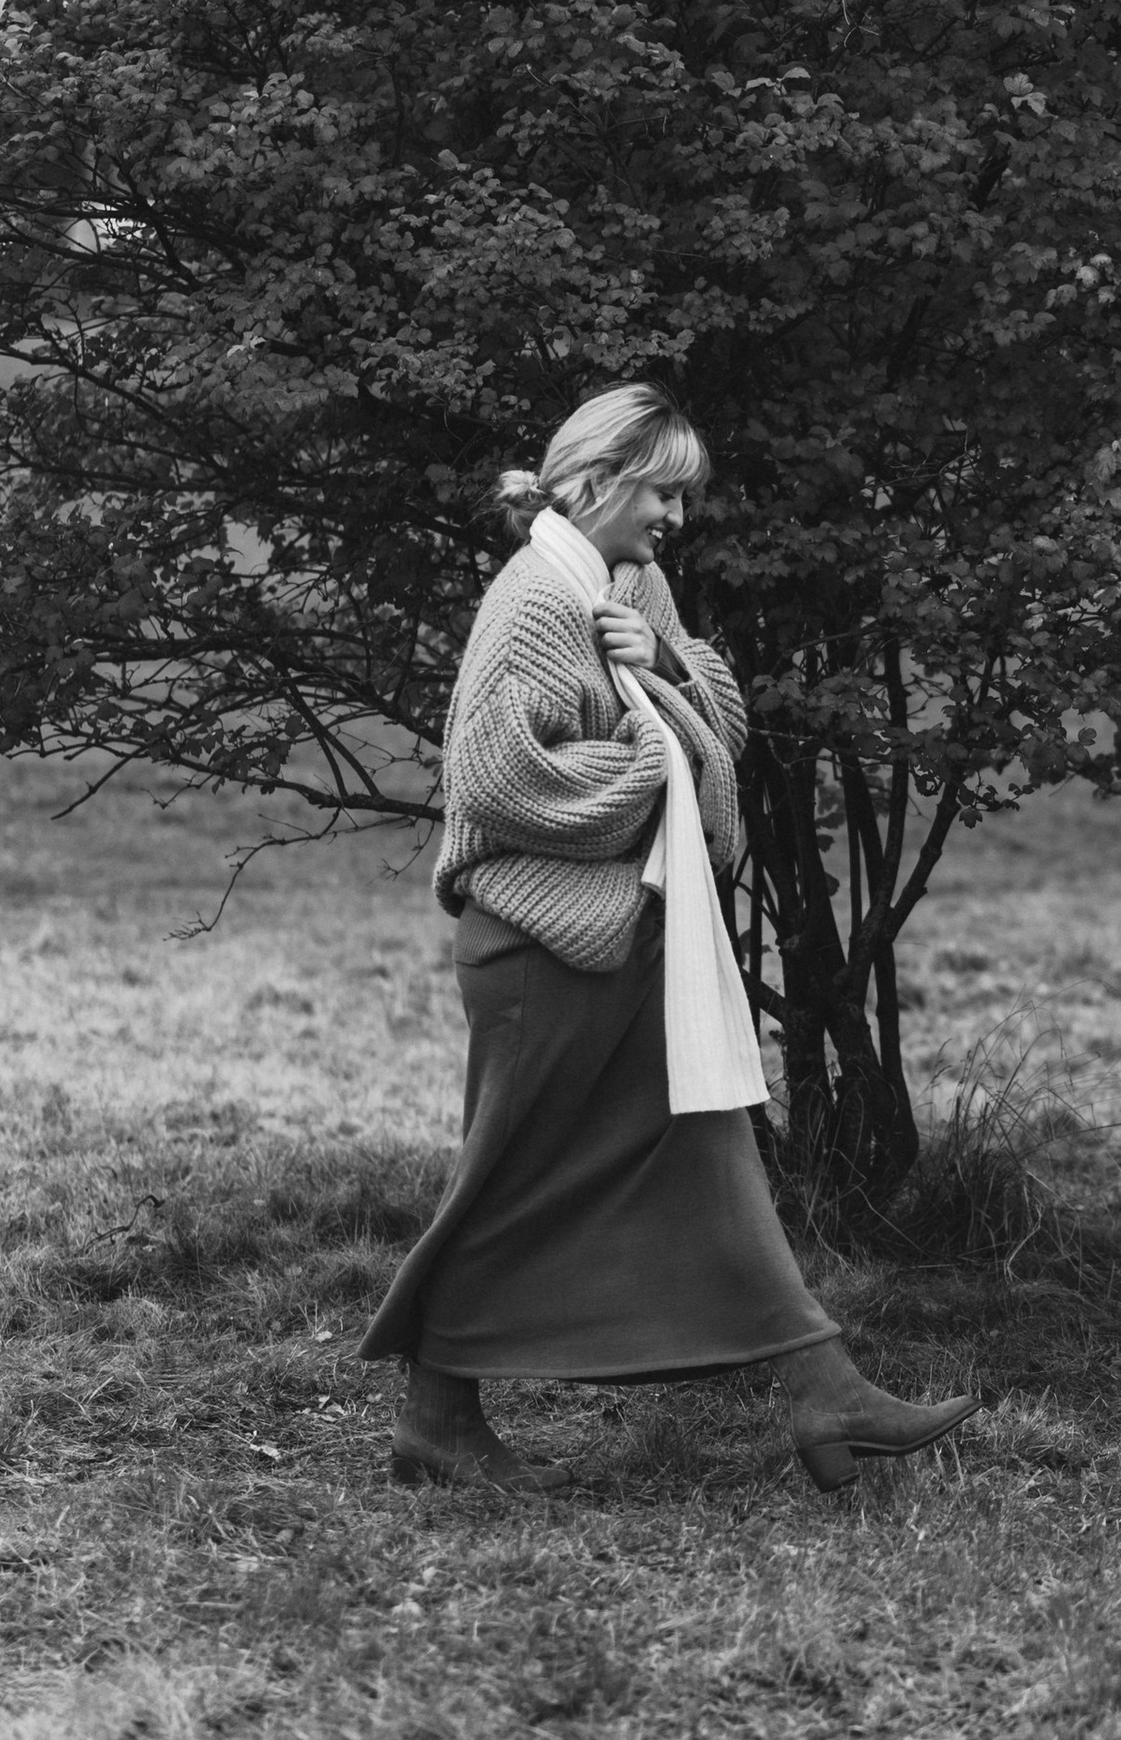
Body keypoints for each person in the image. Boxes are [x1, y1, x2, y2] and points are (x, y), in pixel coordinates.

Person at [360, 381, 976, 1496]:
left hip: (634, 929)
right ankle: (437, 1414)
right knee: (513, 1177)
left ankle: (821, 1387)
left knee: (707, 1145)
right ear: (596, 479)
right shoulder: (533, 602)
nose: (677, 518)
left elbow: (718, 727)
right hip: (543, 944)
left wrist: (667, 662)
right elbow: (497, 778)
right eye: (664, 492)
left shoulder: (630, 580)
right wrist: (657, 762)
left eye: (684, 498)